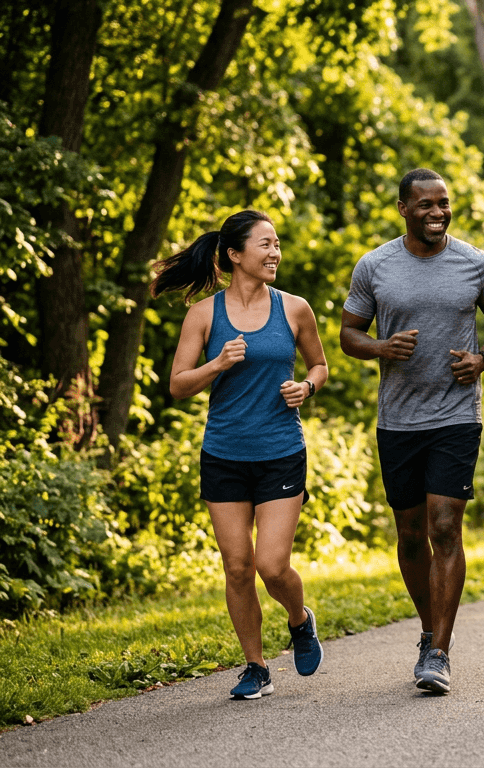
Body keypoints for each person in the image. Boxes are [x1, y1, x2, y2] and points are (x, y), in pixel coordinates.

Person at [340, 169, 484, 694]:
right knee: (411, 534)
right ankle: (427, 629)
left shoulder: (476, 263)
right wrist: (380, 347)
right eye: (426, 204)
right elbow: (348, 334)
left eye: (444, 203)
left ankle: (439, 649)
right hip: (398, 419)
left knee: (444, 526)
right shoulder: (375, 266)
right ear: (403, 209)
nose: (438, 212)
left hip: (456, 415)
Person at [156, 209, 327, 700]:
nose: (275, 253)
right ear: (234, 254)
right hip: (224, 454)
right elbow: (177, 385)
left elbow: (319, 365)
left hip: (280, 451)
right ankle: (256, 667)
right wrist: (218, 363)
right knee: (237, 567)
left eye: (277, 244)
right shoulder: (204, 314)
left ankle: (299, 619)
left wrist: (306, 388)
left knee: (271, 566)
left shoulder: (294, 308)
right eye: (265, 245)